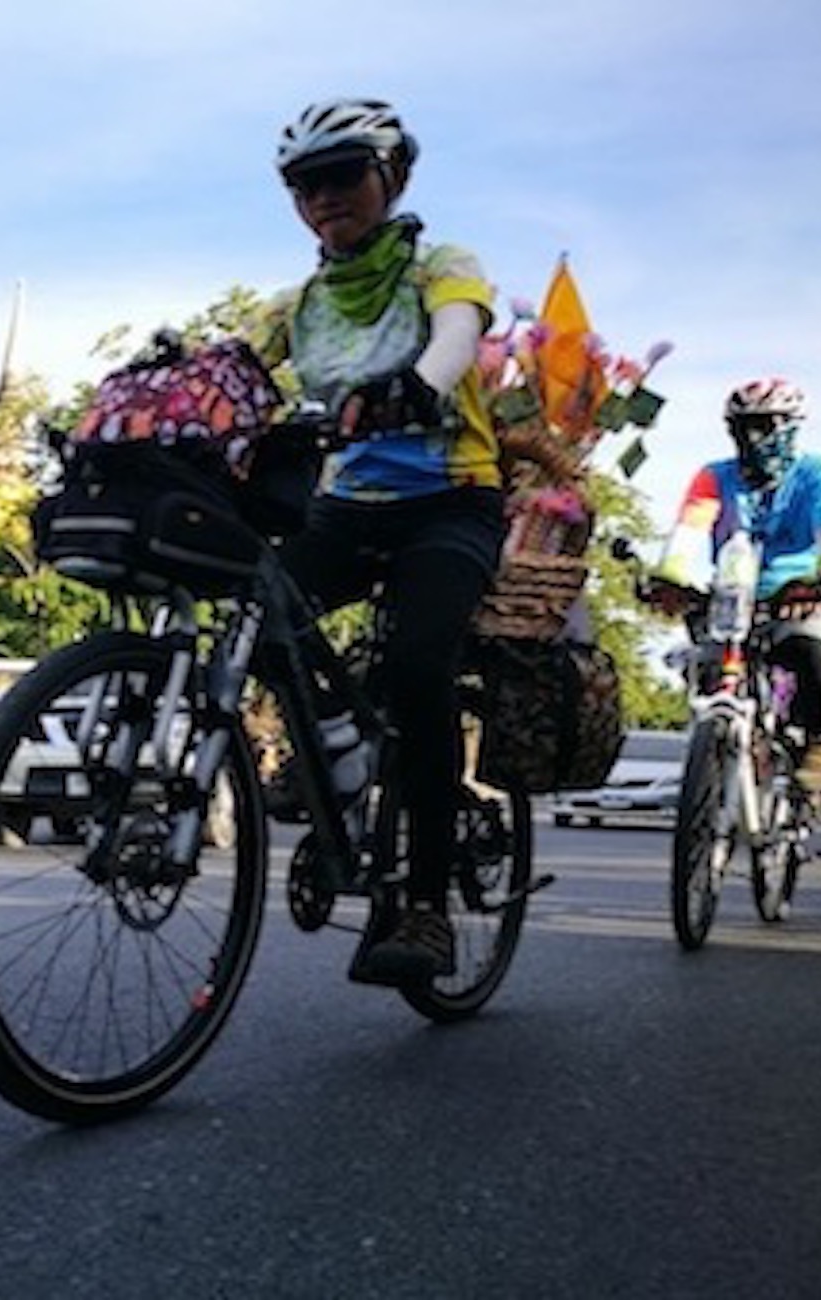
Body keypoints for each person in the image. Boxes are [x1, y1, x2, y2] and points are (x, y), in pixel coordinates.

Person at [263, 98, 503, 987]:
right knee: (257, 620)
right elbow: (233, 377)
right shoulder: (300, 304)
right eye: (302, 184)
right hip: (347, 510)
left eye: (342, 175)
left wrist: (416, 385)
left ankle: (430, 905)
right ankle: (335, 753)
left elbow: (458, 338)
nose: (323, 197)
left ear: (391, 176)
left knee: (417, 662)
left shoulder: (443, 265)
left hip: (452, 503)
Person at [655, 378, 821, 793]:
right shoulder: (714, 476)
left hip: (795, 595)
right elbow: (690, 528)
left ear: (789, 428)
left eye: (764, 426)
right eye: (742, 427)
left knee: (813, 652)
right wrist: (670, 575)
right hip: (732, 595)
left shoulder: (819, 475)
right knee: (703, 664)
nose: (751, 437)